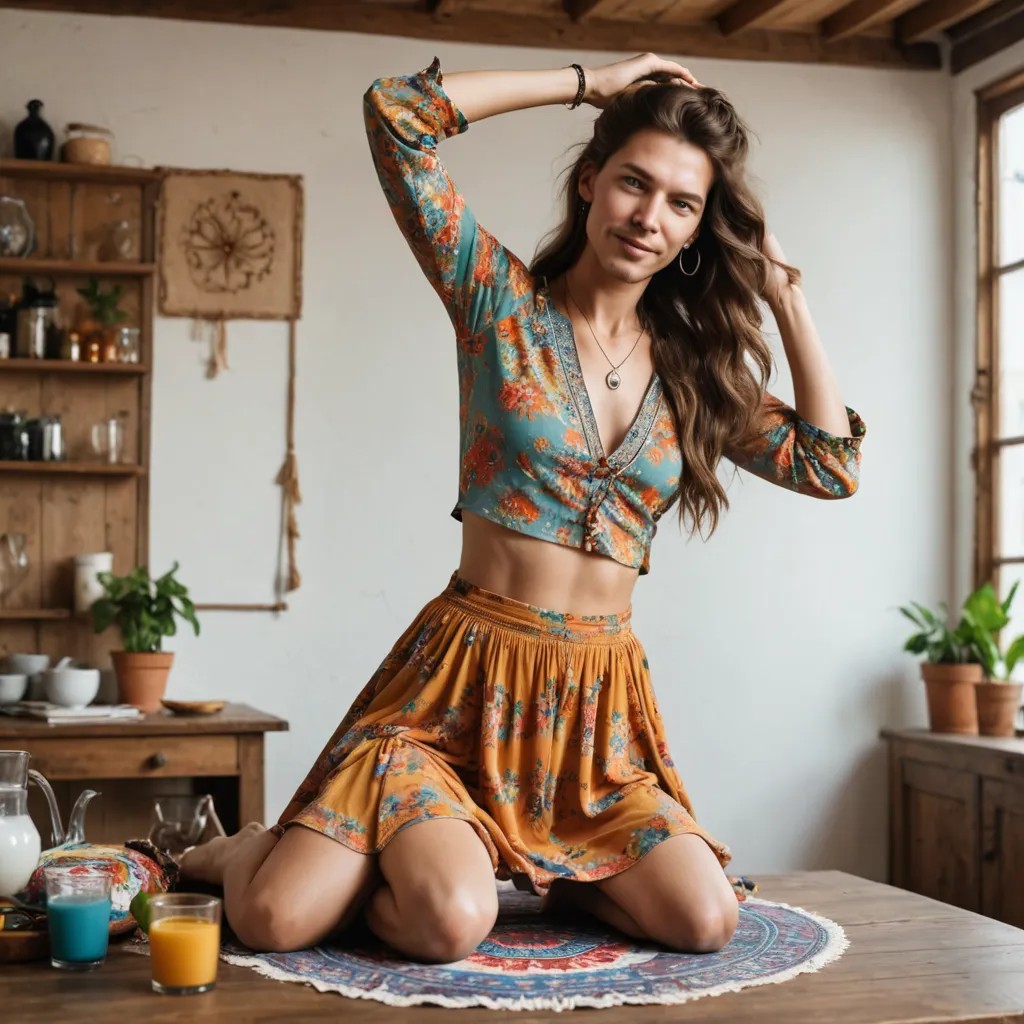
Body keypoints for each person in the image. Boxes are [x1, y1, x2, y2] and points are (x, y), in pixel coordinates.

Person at [181, 51, 865, 964]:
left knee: (707, 921)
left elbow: (828, 465)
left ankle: (546, 870)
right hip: (454, 699)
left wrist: (787, 295)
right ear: (591, 182)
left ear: (699, 228)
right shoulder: (500, 308)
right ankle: (241, 851)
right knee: (301, 922)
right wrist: (589, 83)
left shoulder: (697, 373)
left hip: (597, 726)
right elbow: (397, 118)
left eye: (681, 203)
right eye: (633, 183)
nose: (649, 218)